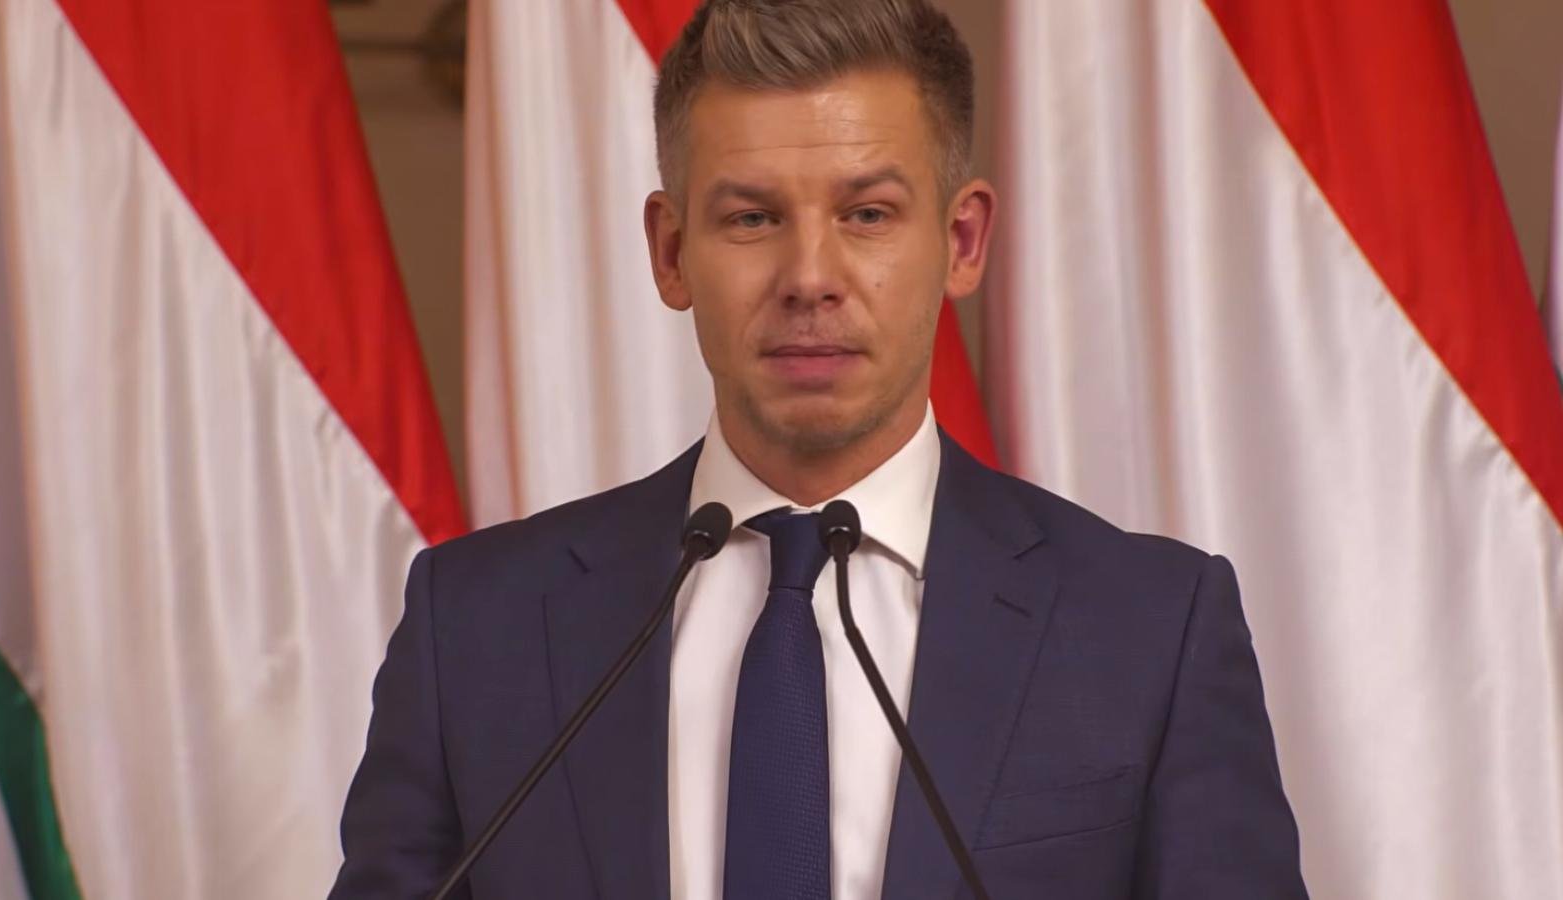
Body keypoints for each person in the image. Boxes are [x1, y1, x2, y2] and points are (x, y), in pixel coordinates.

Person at [330, 1, 1307, 897]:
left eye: (867, 214)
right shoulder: (475, 626)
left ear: (963, 241)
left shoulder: (1152, 630)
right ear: (670, 252)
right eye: (752, 218)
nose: (809, 276)